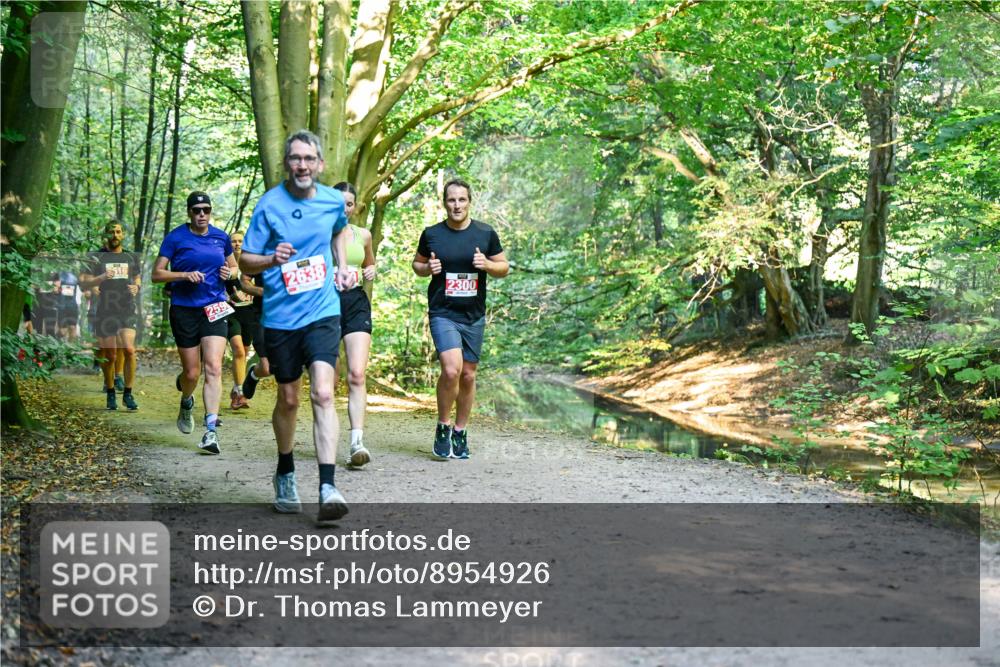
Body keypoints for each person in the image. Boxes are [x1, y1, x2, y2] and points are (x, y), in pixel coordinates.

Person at [240, 129, 354, 524]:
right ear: (286, 164)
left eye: (309, 159)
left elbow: (340, 228)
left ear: (320, 165)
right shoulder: (269, 205)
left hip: (323, 310)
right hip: (281, 318)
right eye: (295, 158)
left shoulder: (331, 201)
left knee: (323, 393)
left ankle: (327, 485)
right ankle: (285, 471)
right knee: (289, 399)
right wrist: (272, 258)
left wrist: (341, 266)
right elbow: (245, 262)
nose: (302, 165)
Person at [412, 179, 508, 460]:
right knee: (452, 369)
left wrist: (487, 265)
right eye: (451, 200)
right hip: (443, 312)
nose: (456, 205)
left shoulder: (485, 233)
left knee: (468, 375)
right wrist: (427, 268)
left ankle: (460, 430)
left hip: (473, 315)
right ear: (445, 203)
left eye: (462, 200)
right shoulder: (432, 234)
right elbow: (417, 264)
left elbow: (504, 267)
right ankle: (443, 426)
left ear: (469, 202)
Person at [152, 192, 237, 454]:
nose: (202, 214)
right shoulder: (176, 238)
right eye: (197, 210)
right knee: (192, 373)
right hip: (184, 309)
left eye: (206, 210)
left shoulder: (221, 237)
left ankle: (210, 431)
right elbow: (156, 274)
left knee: (213, 367)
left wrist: (229, 272)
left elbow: (235, 267)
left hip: (214, 307)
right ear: (189, 212)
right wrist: (183, 275)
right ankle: (186, 400)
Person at [332, 182, 376, 467]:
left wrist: (371, 269)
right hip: (325, 303)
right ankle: (326, 437)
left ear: (355, 206)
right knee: (328, 380)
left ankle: (356, 442)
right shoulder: (318, 233)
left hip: (356, 302)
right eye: (339, 203)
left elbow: (369, 265)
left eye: (349, 204)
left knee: (357, 374)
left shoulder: (363, 234)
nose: (344, 208)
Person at [80, 222, 142, 411]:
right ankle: (110, 391)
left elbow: (137, 277)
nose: (115, 235)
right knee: (110, 354)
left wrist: (136, 286)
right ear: (105, 235)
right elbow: (83, 283)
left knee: (130, 350)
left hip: (126, 308)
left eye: (118, 231)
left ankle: (128, 394)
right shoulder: (94, 257)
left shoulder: (131, 256)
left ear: (123, 235)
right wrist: (100, 279)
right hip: (105, 309)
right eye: (111, 232)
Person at [225, 230, 254, 410]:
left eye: (240, 241)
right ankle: (240, 392)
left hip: (249, 314)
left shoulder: (253, 264)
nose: (237, 244)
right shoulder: (224, 264)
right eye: (233, 241)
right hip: (230, 312)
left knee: (244, 350)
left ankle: (236, 390)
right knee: (238, 351)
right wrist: (229, 298)